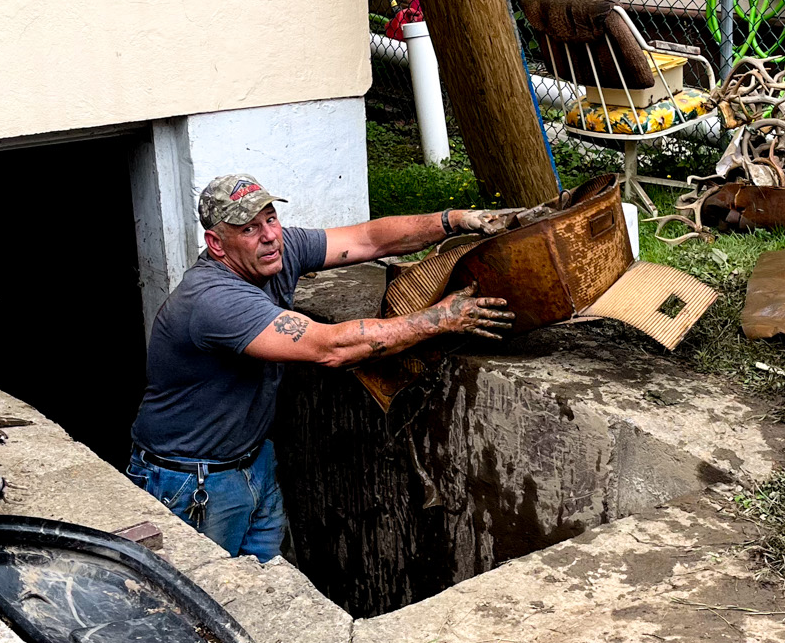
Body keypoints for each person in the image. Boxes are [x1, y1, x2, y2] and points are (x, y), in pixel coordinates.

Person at [127, 173, 536, 561]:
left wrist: (457, 219)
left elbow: (368, 239)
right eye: (249, 228)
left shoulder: (278, 251)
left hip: (252, 460)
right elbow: (332, 347)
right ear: (216, 244)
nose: (269, 235)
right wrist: (440, 318)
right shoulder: (213, 299)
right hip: (191, 479)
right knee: (201, 595)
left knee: (267, 585)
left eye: (271, 218)